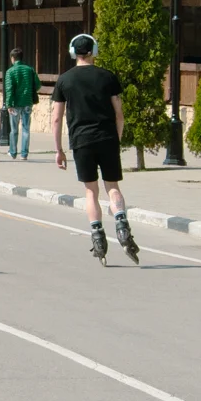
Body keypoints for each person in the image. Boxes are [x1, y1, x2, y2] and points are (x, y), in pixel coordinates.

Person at [55, 34, 136, 262]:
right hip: (107, 138)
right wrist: (116, 138)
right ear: (94, 50)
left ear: (73, 52)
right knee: (112, 186)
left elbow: (56, 118)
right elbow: (119, 114)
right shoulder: (108, 77)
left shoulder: (65, 80)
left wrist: (58, 149)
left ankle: (98, 235)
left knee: (91, 191)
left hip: (81, 141)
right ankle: (121, 223)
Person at [2, 47, 40, 160]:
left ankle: (13, 152)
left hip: (15, 103)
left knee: (14, 129)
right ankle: (24, 154)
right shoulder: (30, 69)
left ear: (12, 58)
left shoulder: (10, 71)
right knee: (26, 128)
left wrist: (8, 104)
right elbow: (38, 85)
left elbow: (9, 89)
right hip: (27, 102)